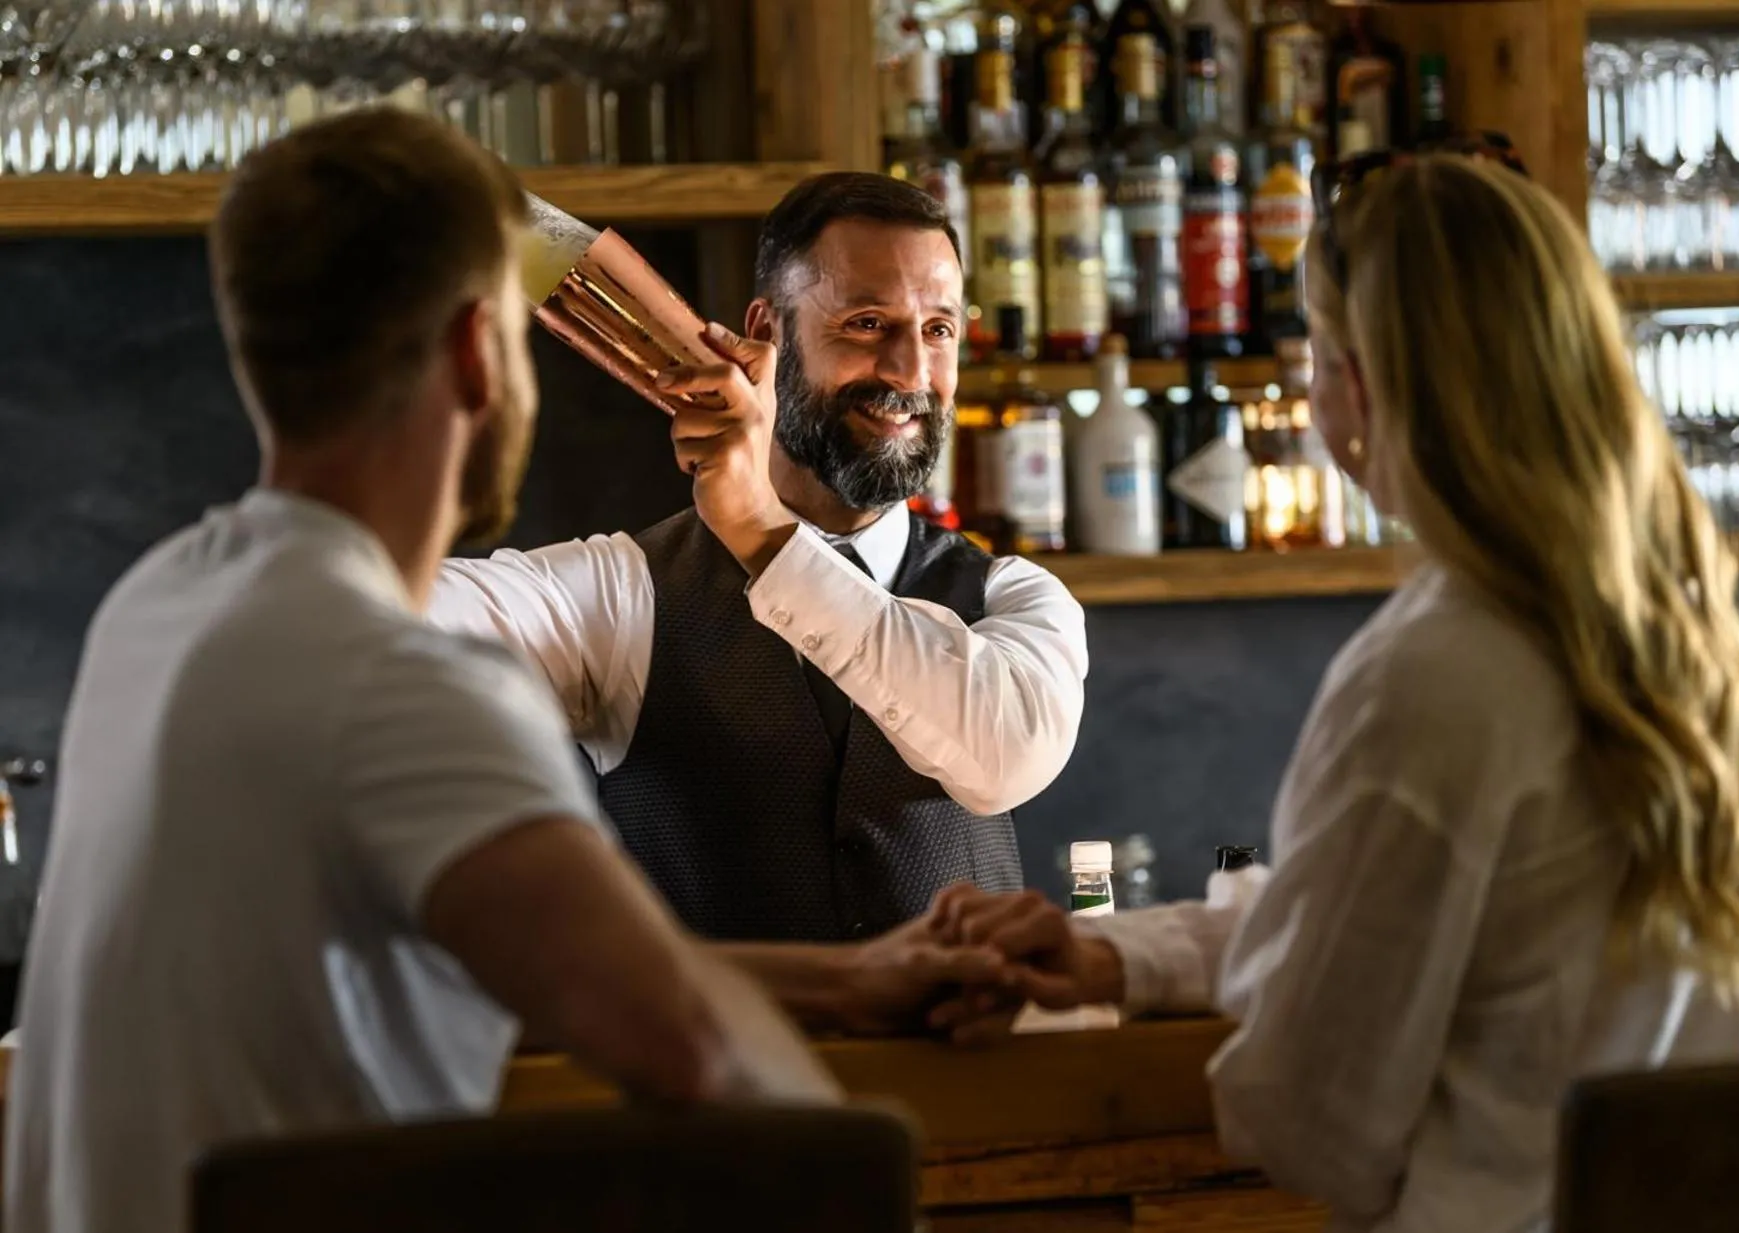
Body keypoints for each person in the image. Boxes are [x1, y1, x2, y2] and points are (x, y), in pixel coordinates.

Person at [2, 112, 1000, 1233]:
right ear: (481, 354)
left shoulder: (163, 604)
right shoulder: (401, 681)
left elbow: (559, 955)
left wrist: (846, 985)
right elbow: (692, 1044)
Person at [926, 150, 1739, 1231]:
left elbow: (1307, 1120)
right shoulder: (1674, 630)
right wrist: (1120, 955)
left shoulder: (1432, 673)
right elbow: (1378, 935)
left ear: (1356, 384)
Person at [429, 172, 1089, 944]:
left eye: (938, 329)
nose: (912, 373)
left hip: (963, 1068)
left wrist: (761, 532)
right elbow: (378, 612)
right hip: (724, 1066)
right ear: (766, 330)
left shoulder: (1014, 596)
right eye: (868, 322)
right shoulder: (622, 597)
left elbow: (1005, 753)